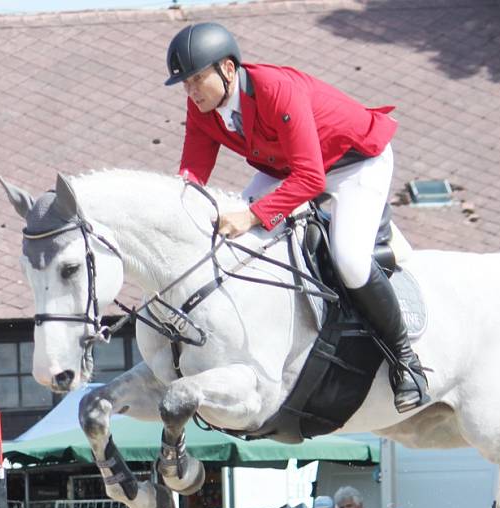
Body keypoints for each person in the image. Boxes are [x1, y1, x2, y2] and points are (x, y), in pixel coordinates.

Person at [164, 22, 429, 414]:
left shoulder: (274, 90)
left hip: (355, 162)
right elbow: (192, 175)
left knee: (350, 260)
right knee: (235, 243)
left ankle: (407, 362)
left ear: (229, 70)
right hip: (287, 165)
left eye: (197, 79)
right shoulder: (201, 107)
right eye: (184, 83)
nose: (190, 91)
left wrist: (254, 215)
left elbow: (311, 178)